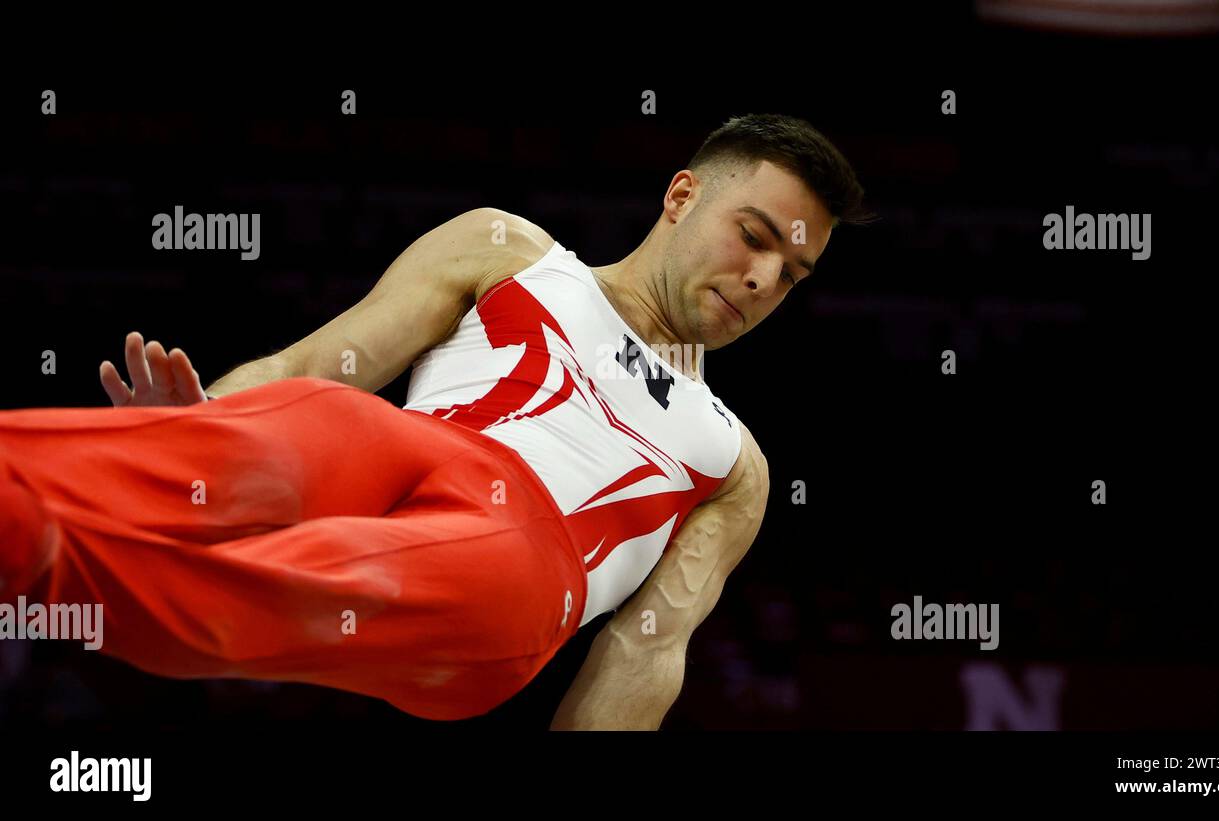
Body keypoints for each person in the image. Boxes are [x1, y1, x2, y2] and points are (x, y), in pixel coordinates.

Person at [0, 113, 871, 729]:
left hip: (522, 564)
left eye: (793, 273)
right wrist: (198, 433)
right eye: (753, 235)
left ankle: (39, 556)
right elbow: (306, 366)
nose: (763, 278)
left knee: (261, 594)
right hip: (411, 453)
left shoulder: (732, 461)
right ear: (682, 195)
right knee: (322, 412)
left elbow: (645, 652)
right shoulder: (507, 249)